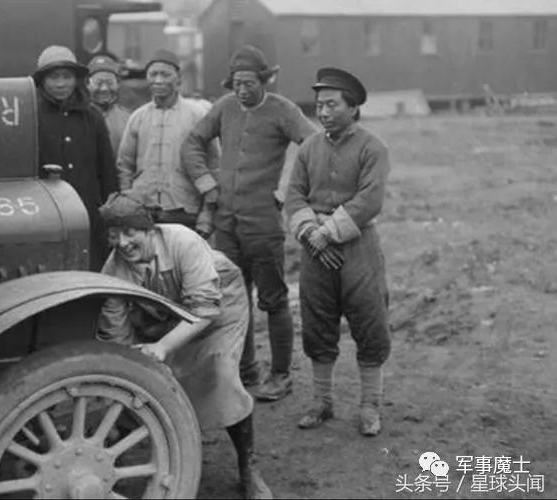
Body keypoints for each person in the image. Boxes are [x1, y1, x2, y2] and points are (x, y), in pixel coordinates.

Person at [96, 193, 272, 500]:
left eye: (130, 232)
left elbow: (204, 310)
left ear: (150, 230)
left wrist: (162, 347)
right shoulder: (112, 271)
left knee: (220, 375)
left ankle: (248, 467)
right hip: (165, 313)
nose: (122, 243)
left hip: (218, 307)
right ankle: (109, 459)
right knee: (138, 378)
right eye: (114, 236)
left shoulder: (184, 242)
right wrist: (129, 371)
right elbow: (116, 336)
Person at [182, 45, 318, 401]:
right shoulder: (224, 108)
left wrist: (288, 190)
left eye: (249, 83)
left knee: (273, 301)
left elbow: (313, 147)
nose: (242, 90)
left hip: (264, 225)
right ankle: (244, 372)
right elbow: (193, 142)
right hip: (227, 224)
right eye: (237, 83)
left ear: (264, 80)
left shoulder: (283, 110)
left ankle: (281, 374)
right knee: (233, 299)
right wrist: (206, 183)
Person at [285, 67, 391, 436]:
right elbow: (294, 194)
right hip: (315, 249)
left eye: (332, 104)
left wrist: (328, 233)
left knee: (369, 320)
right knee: (317, 321)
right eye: (319, 105)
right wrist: (311, 232)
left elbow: (370, 199)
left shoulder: (372, 148)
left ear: (353, 107)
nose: (323, 112)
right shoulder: (309, 148)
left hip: (357, 246)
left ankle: (370, 406)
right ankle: (322, 401)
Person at [116, 49, 219, 235]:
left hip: (185, 212)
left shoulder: (198, 116)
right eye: (153, 74)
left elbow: (214, 166)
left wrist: (207, 214)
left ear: (178, 79)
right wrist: (130, 205)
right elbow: (124, 167)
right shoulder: (138, 117)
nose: (158, 80)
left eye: (165, 74)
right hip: (144, 213)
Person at [33, 45, 118, 271]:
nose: (61, 84)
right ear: (42, 81)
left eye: (67, 77)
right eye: (53, 77)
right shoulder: (30, 115)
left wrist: (111, 215)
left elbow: (107, 169)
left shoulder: (92, 117)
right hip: (45, 214)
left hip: (89, 214)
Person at [86, 54, 131, 155]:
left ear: (118, 84)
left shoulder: (129, 119)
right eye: (98, 83)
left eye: (110, 83)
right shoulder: (78, 117)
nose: (104, 88)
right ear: (87, 84)